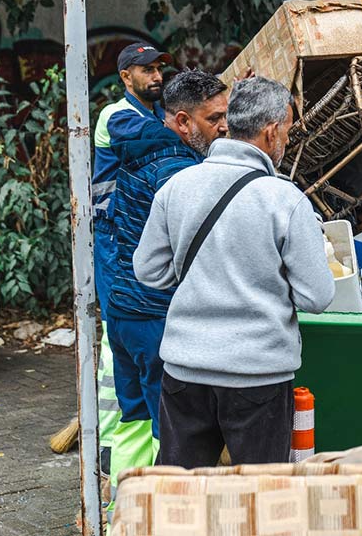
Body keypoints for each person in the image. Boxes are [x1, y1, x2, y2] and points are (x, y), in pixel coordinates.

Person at [133, 77, 335, 468]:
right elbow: (317, 296)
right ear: (272, 131)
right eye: (288, 130)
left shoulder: (177, 187)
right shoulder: (285, 199)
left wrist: (199, 282)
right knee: (258, 499)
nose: (288, 141)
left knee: (181, 497)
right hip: (256, 376)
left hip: (184, 371)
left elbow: (148, 271)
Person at [106, 70, 229, 488]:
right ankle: (160, 514)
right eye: (213, 119)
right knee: (171, 432)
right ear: (181, 121)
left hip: (123, 311)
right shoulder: (177, 170)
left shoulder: (140, 150)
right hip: (154, 315)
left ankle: (119, 513)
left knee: (133, 420)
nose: (225, 127)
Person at [91, 42, 171, 482]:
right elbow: (149, 143)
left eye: (160, 68)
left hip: (138, 240)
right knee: (118, 336)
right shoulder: (115, 117)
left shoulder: (159, 118)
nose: (156, 76)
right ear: (126, 76)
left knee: (125, 346)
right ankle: (108, 448)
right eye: (147, 70)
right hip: (113, 239)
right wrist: (190, 128)